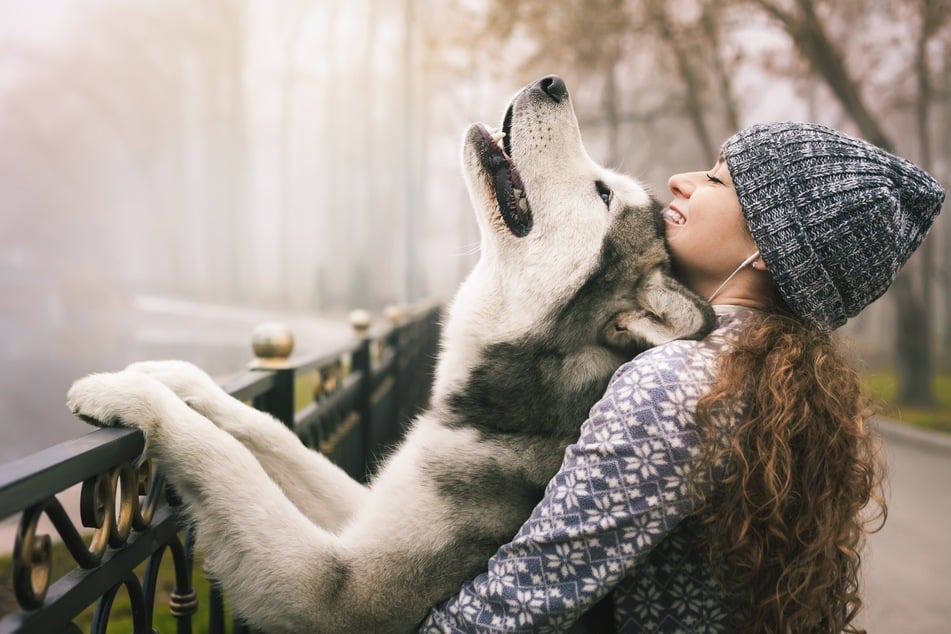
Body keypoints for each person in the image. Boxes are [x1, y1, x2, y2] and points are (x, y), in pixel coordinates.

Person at [419, 122, 945, 633]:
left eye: (717, 179)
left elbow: (529, 593)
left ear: (769, 248)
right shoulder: (769, 378)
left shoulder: (677, 385)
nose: (680, 182)